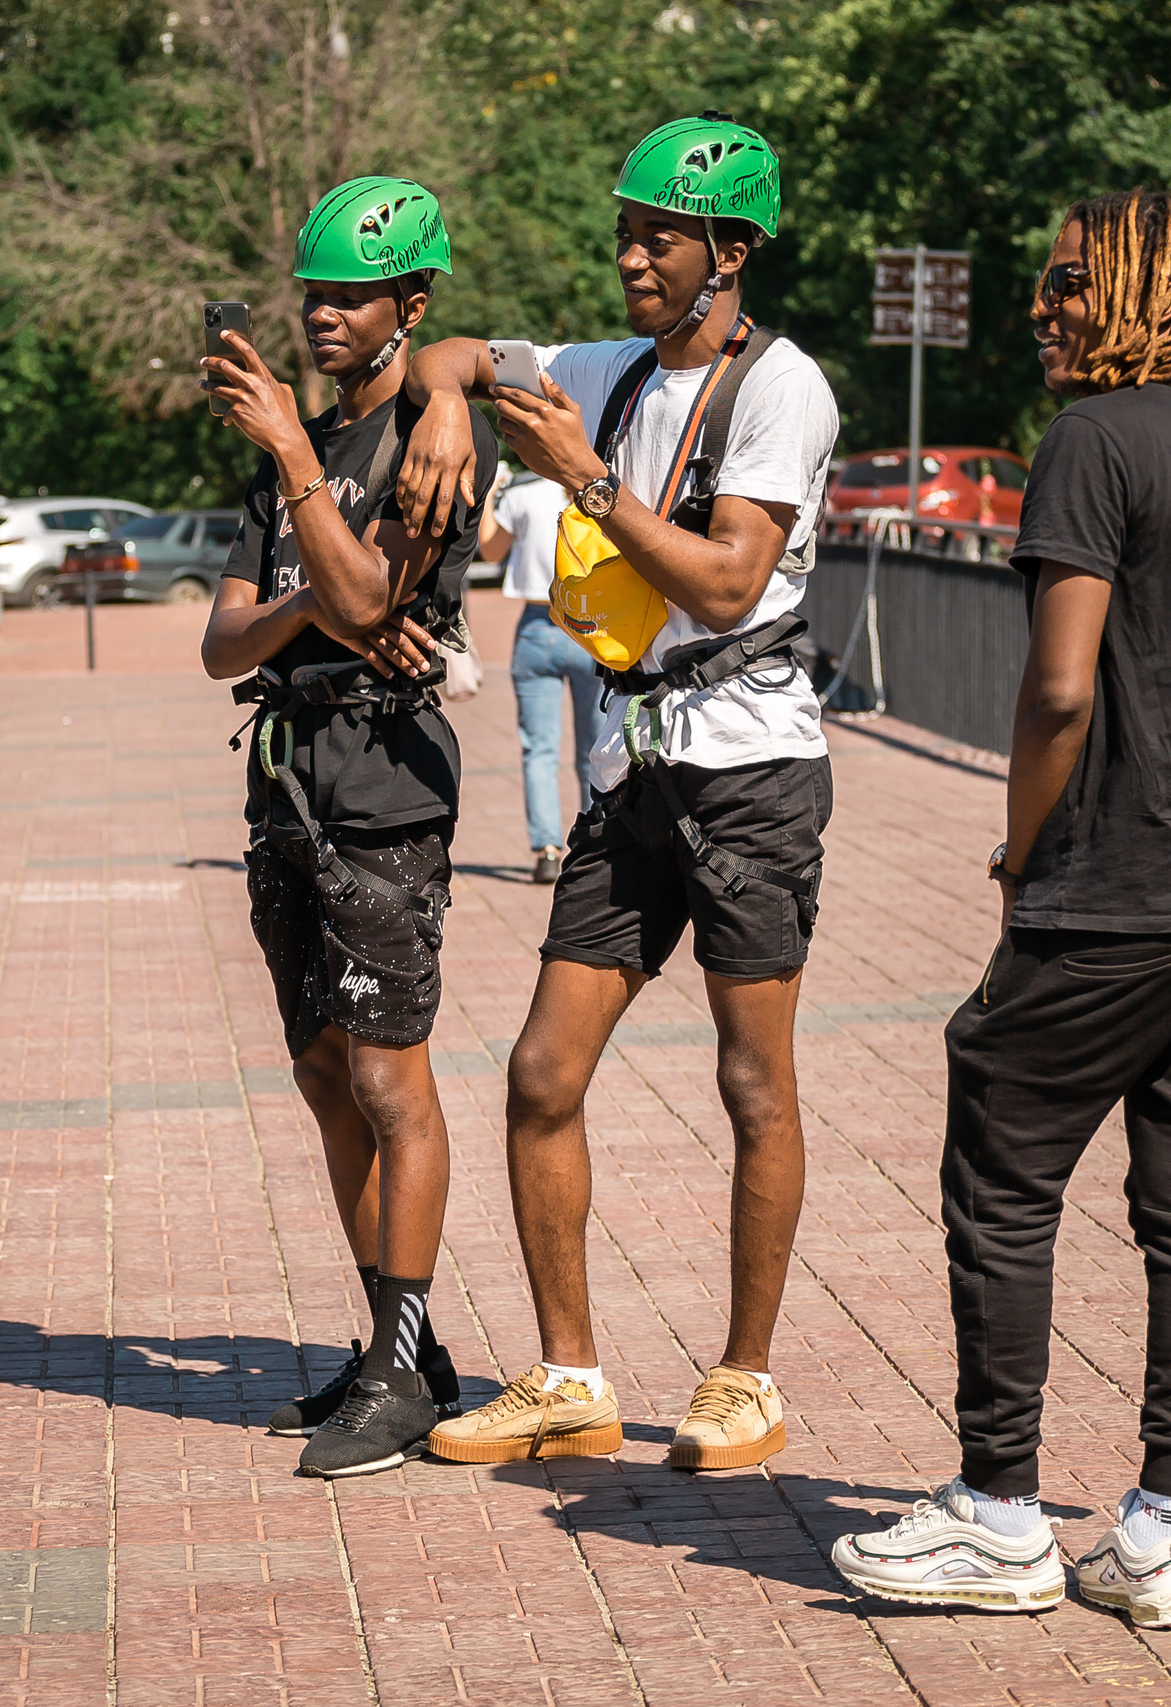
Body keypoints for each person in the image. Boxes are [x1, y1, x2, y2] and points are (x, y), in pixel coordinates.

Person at [828, 190, 1171, 1630]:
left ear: (1137, 290)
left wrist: (1019, 857)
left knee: (1002, 1171)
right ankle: (1157, 1529)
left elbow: (1060, 686)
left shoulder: (1095, 443)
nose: (1041, 304)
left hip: (1114, 885)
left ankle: (1000, 1510)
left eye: (1065, 280)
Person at [395, 113, 840, 1472]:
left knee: (751, 1077)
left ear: (732, 250)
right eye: (626, 234)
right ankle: (572, 1375)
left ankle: (745, 1376)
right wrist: (463, 398)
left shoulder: (784, 389)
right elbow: (443, 352)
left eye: (662, 238)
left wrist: (579, 473)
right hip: (634, 763)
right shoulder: (614, 369)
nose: (634, 259)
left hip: (753, 764)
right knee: (541, 1070)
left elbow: (722, 582)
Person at [198, 175, 497, 1476]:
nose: (321, 315)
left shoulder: (426, 445)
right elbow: (221, 642)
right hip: (287, 776)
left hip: (385, 775)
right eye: (311, 292)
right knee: (326, 1073)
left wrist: (307, 493)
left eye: (349, 295)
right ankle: (395, 1352)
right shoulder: (291, 459)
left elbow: (376, 583)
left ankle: (407, 1355)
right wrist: (312, 609)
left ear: (409, 305)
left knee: (391, 1078)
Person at [479, 462, 591, 882]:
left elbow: (490, 550)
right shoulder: (594, 493)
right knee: (595, 749)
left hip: (536, 626)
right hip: (591, 626)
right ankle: (597, 839)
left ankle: (546, 849)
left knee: (539, 749)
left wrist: (491, 492)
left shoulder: (525, 494)